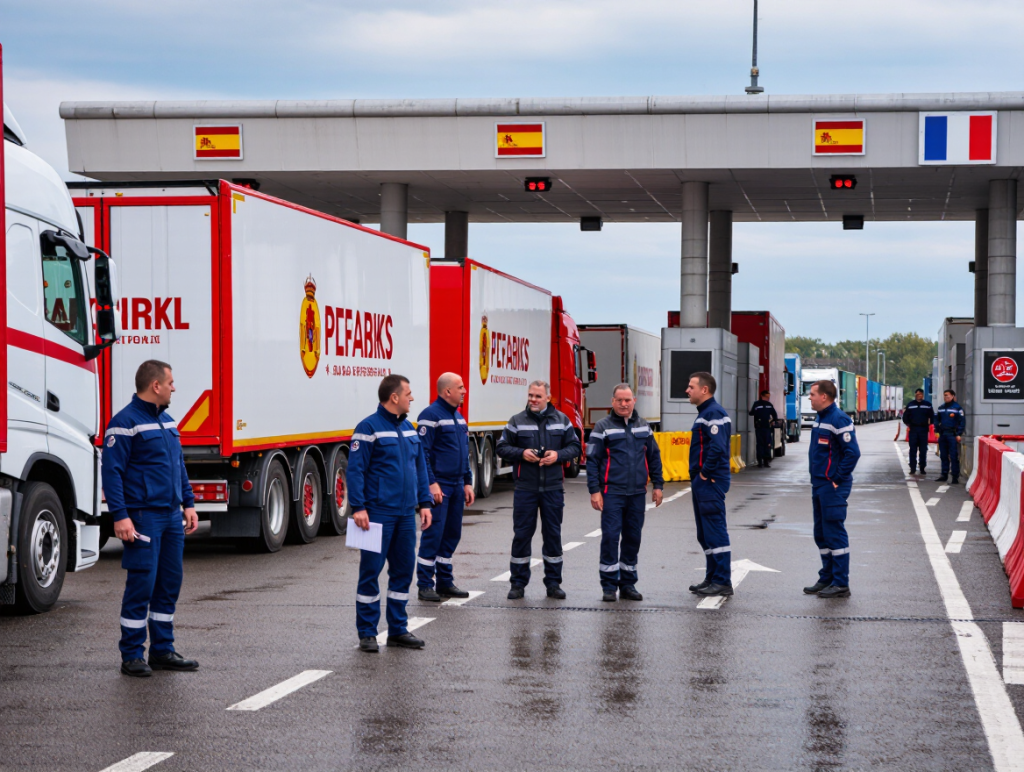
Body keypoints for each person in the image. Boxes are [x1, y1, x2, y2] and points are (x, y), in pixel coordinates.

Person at [102, 360, 199, 678]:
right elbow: (112, 474)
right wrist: (121, 516)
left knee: (169, 584)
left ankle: (162, 650)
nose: (174, 387)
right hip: (142, 518)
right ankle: (131, 654)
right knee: (141, 584)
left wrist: (189, 503)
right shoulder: (124, 423)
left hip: (172, 517)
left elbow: (179, 466)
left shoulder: (169, 422)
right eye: (170, 382)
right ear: (155, 386)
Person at [348, 374, 434, 652]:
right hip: (375, 514)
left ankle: (398, 629)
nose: (412, 397)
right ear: (394, 397)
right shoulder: (368, 427)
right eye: (408, 393)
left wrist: (424, 504)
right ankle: (367, 633)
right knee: (370, 572)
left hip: (405, 516)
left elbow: (419, 468)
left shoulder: (410, 427)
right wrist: (358, 507)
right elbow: (355, 470)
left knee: (402, 571)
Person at [496, 380, 581, 600]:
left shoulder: (562, 421)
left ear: (548, 398)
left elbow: (575, 446)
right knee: (522, 535)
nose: (533, 399)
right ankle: (517, 584)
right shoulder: (517, 421)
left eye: (538, 396)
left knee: (553, 535)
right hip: (526, 488)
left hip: (552, 488)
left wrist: (558, 455)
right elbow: (502, 447)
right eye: (531, 395)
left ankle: (553, 584)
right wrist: (522, 453)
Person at [587, 384, 664, 602]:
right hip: (612, 493)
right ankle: (609, 586)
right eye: (619, 400)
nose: (624, 404)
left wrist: (658, 485)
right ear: (612, 402)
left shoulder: (643, 426)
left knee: (632, 538)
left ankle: (628, 584)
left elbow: (654, 457)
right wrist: (595, 491)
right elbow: (592, 462)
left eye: (627, 400)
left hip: (637, 493)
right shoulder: (602, 426)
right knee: (610, 537)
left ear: (634, 401)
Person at [415, 372, 475, 602]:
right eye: (460, 387)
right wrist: (431, 483)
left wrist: (468, 482)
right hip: (440, 486)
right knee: (433, 535)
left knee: (451, 535)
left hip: (457, 485)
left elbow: (464, 454)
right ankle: (424, 585)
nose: (464, 391)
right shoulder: (430, 416)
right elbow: (423, 454)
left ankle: (445, 582)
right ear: (447, 391)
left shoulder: (459, 418)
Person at [805, 379, 861, 599]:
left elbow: (852, 453)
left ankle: (840, 583)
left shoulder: (839, 419)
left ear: (824, 397)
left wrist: (837, 479)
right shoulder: (821, 418)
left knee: (834, 533)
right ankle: (827, 577)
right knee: (821, 533)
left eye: (812, 394)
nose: (809, 397)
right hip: (819, 484)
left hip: (831, 486)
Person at [686, 372, 734, 597]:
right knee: (705, 534)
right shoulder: (706, 413)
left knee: (715, 532)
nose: (687, 390)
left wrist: (705, 473)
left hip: (710, 481)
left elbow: (718, 447)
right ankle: (712, 577)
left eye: (691, 387)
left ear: (704, 390)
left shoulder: (713, 413)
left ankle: (722, 581)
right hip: (703, 481)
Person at [934, 389, 966, 484]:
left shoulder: (957, 408)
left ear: (952, 396)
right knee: (943, 455)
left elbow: (962, 422)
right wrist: (937, 430)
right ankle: (944, 474)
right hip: (943, 435)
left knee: (953, 456)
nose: (945, 397)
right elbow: (936, 420)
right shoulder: (941, 408)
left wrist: (959, 434)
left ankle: (955, 476)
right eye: (944, 395)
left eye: (947, 395)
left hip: (952, 435)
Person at [902, 388, 934, 475]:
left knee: (923, 450)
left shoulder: (927, 405)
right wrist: (909, 424)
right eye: (917, 394)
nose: (918, 396)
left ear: (923, 395)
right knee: (913, 449)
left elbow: (932, 416)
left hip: (923, 430)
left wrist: (929, 424)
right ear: (915, 395)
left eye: (920, 394)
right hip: (913, 430)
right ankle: (912, 467)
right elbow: (905, 417)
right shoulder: (911, 405)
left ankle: (922, 467)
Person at [749, 390, 778, 468]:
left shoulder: (769, 405)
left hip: (767, 427)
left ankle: (766, 461)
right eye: (766, 397)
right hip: (759, 427)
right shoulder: (756, 404)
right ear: (762, 396)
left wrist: (771, 421)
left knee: (767, 444)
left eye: (768, 397)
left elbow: (775, 415)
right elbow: (751, 413)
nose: (768, 398)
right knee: (760, 444)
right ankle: (760, 462)